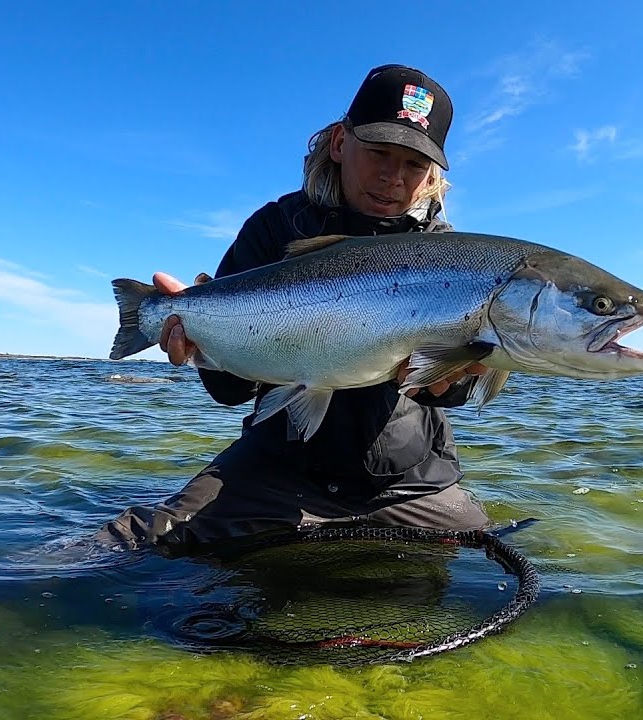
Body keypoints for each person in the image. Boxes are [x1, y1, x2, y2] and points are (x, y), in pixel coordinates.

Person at [95, 64, 491, 554]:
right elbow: (229, 391)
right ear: (340, 143)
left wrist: (448, 381)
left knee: (477, 566)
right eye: (379, 153)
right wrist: (195, 343)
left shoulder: (450, 255)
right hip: (276, 466)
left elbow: (451, 389)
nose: (393, 177)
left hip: (409, 480)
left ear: (431, 172)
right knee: (135, 547)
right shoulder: (274, 228)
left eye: (413, 164)